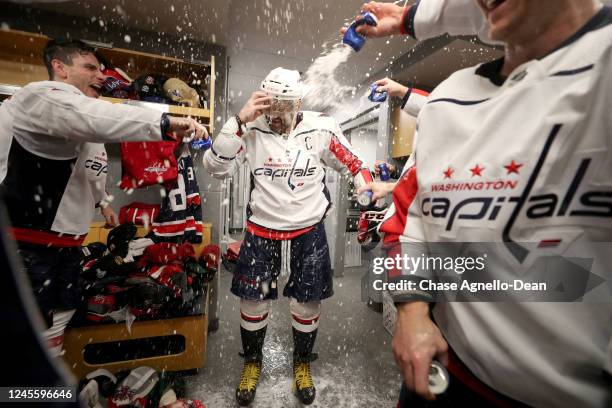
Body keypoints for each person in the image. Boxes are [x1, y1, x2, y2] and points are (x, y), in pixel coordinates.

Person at [350, 0, 612, 406]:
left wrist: (409, 20)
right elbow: (407, 222)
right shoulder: (450, 98)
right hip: (444, 377)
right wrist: (412, 310)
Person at [0, 38, 207, 356]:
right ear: (60, 68)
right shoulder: (38, 97)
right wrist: (164, 122)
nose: (102, 76)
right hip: (26, 244)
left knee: (60, 316)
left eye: (101, 69)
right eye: (90, 68)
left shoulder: (87, 127)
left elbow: (91, 171)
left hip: (67, 245)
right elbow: (85, 115)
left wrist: (105, 205)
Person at [203, 67, 373, 406]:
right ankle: (252, 363)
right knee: (254, 300)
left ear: (298, 104)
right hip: (261, 229)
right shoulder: (249, 128)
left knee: (307, 303)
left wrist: (365, 184)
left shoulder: (321, 126)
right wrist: (237, 121)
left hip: (308, 230)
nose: (275, 117)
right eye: (270, 108)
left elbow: (354, 164)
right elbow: (214, 167)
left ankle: (301, 363)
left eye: (282, 109)